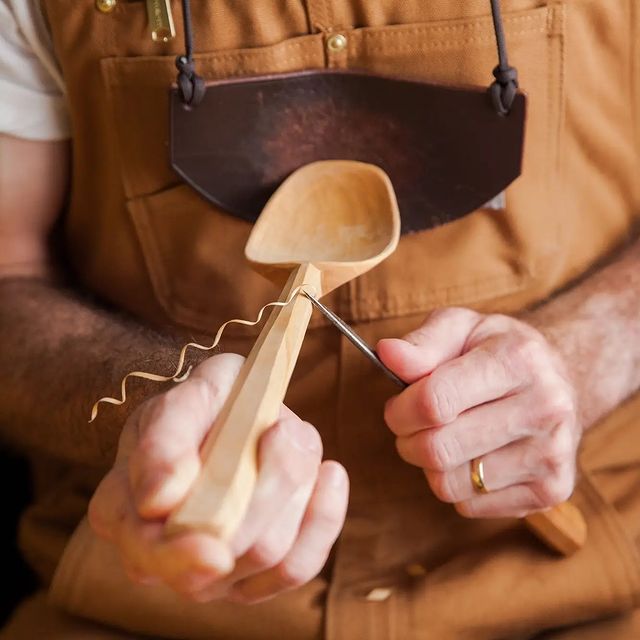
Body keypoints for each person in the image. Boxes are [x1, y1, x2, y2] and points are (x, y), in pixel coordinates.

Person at [1, 0, 640, 638]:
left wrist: (583, 354)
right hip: (147, 598)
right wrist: (140, 408)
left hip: (585, 588)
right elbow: (9, 272)